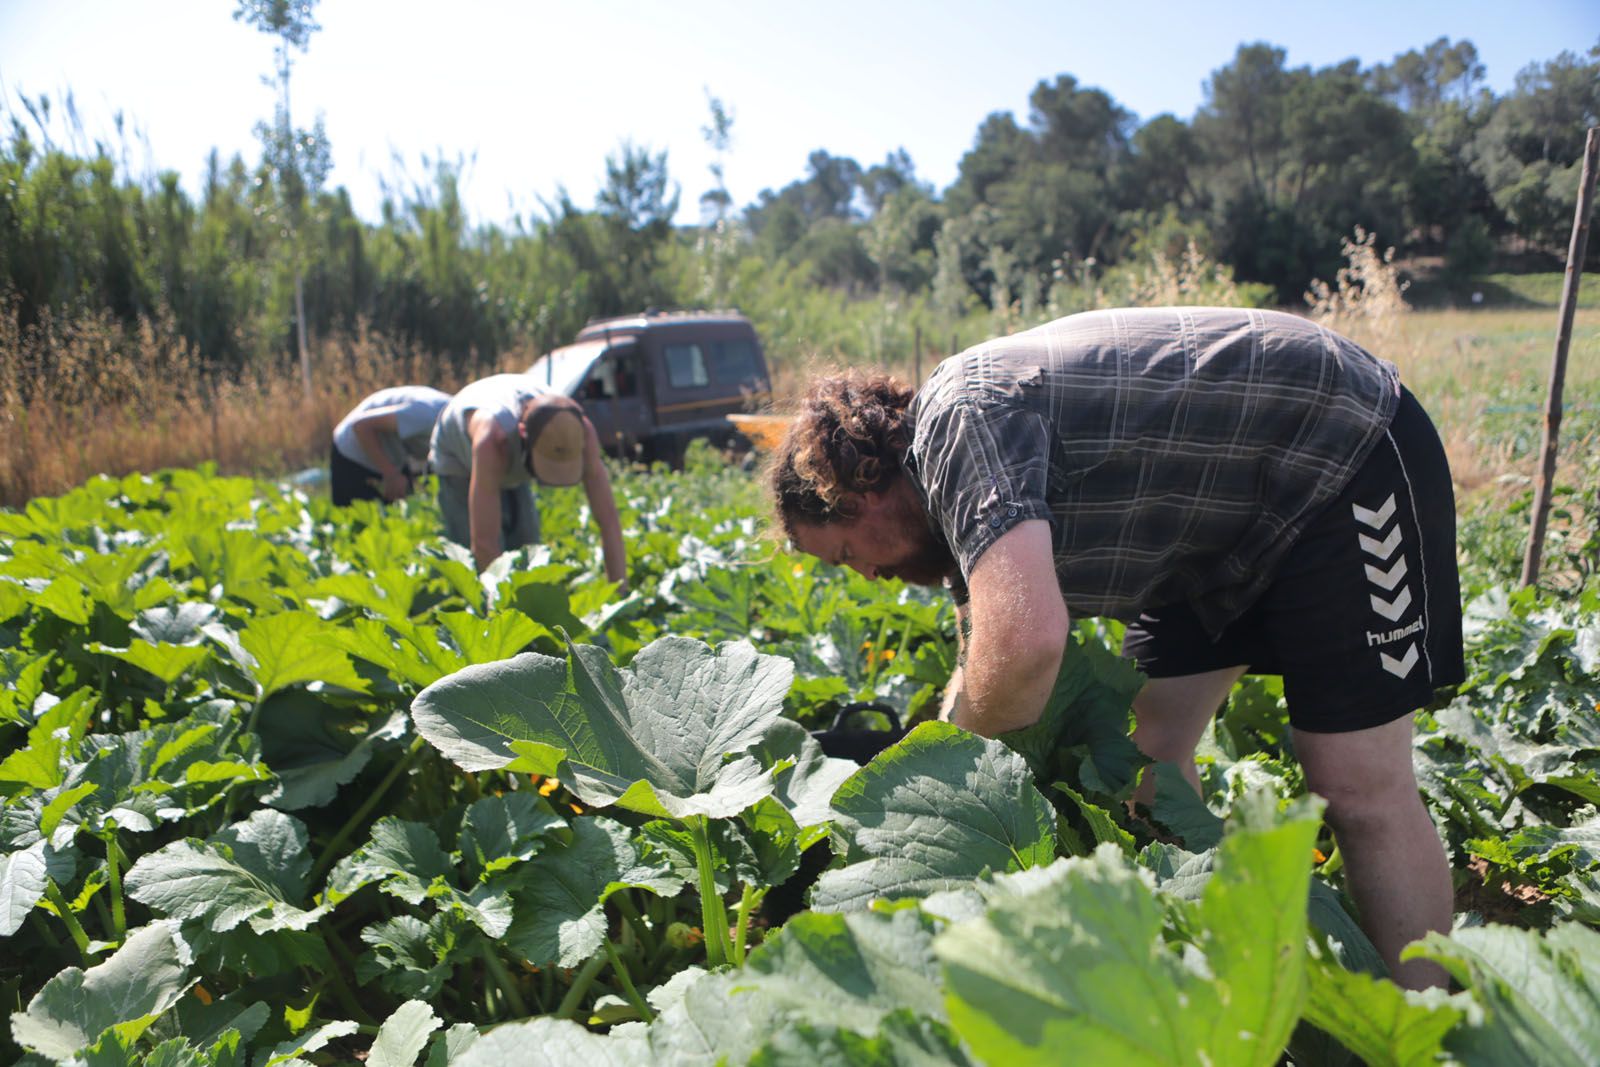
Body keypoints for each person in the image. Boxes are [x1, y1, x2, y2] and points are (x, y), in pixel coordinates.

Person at [767, 306, 1463, 991]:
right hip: (1216, 539)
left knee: (1355, 783)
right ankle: (1224, 970)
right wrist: (927, 758)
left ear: (860, 492)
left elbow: (1025, 649)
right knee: (1149, 748)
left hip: (1339, 452)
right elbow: (975, 666)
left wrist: (932, 783)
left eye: (849, 555)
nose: (867, 576)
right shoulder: (951, 520)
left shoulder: (960, 423)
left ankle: (1421, 1026)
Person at [428, 373, 627, 586]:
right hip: (457, 457)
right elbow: (484, 541)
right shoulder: (492, 440)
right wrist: (501, 614)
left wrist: (620, 591)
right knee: (471, 558)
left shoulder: (579, 430)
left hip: (514, 446)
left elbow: (608, 520)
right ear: (524, 436)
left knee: (527, 548)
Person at [329, 386, 453, 507]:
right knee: (356, 522)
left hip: (394, 455)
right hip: (352, 452)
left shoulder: (456, 416)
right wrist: (391, 474)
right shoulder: (428, 416)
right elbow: (361, 426)